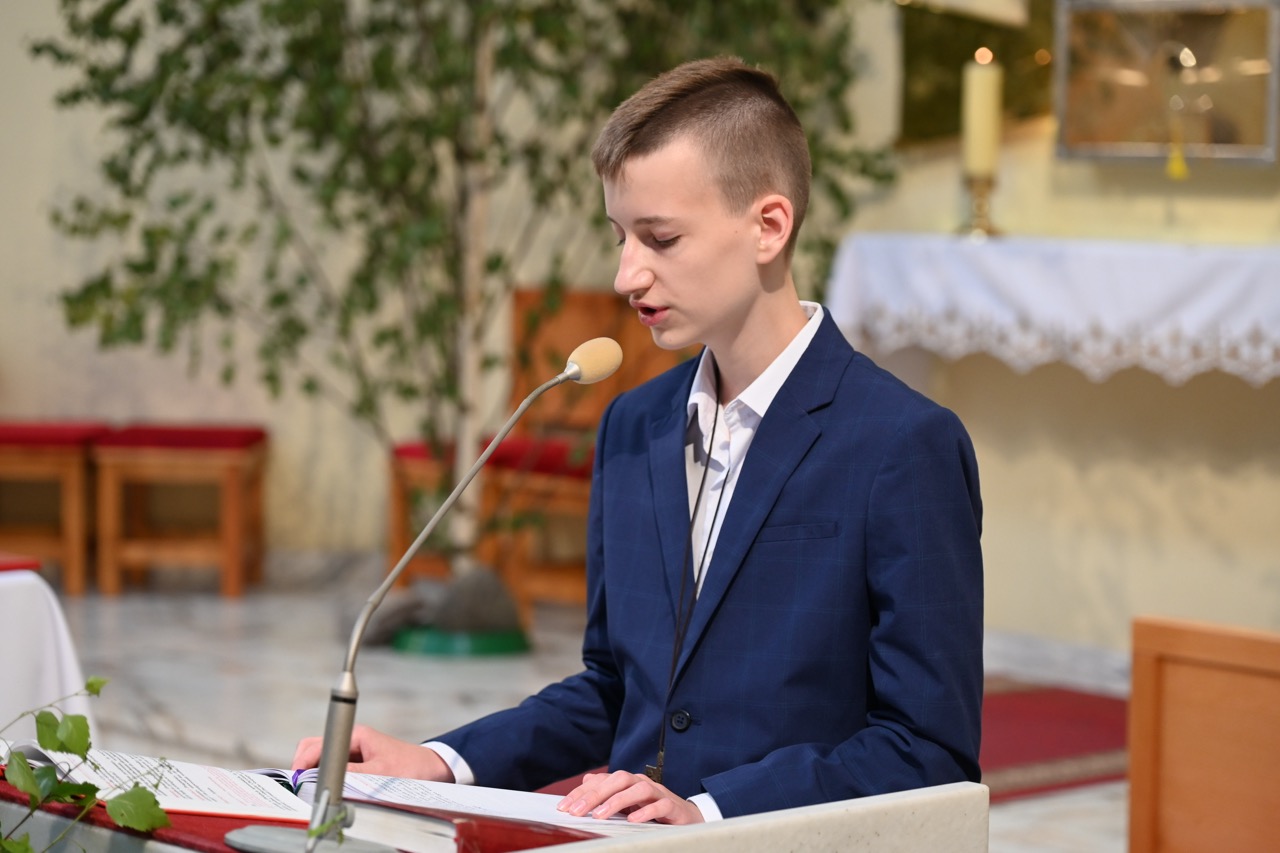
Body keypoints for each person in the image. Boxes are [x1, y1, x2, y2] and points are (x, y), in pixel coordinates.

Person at [293, 55, 983, 826]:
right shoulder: (634, 425)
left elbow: (928, 747)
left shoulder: (902, 445)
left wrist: (709, 812)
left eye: (660, 238)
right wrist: (443, 759)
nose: (627, 275)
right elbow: (615, 688)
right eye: (621, 236)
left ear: (769, 226)